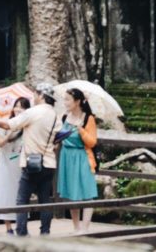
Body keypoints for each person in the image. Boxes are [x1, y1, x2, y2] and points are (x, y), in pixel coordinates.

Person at [0, 82, 59, 236]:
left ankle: (21, 234)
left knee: (22, 201)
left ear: (42, 95)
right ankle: (45, 233)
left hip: (31, 163)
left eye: (36, 94)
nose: (34, 97)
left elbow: (7, 124)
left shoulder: (33, 112)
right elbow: (58, 138)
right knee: (45, 200)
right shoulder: (55, 115)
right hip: (49, 162)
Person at [54, 87, 98, 232]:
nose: (65, 102)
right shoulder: (64, 117)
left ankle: (85, 228)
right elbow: (58, 138)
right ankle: (76, 227)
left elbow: (92, 142)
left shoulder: (88, 118)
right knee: (72, 195)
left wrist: (81, 130)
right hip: (66, 156)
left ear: (77, 101)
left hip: (82, 156)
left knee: (87, 193)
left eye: (68, 99)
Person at [0, 97, 31, 235]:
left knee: (21, 195)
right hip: (5, 163)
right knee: (5, 194)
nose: (18, 109)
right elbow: (0, 143)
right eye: (16, 106)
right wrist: (9, 133)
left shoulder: (28, 126)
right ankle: (8, 228)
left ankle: (21, 227)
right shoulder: (4, 124)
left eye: (22, 107)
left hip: (20, 164)